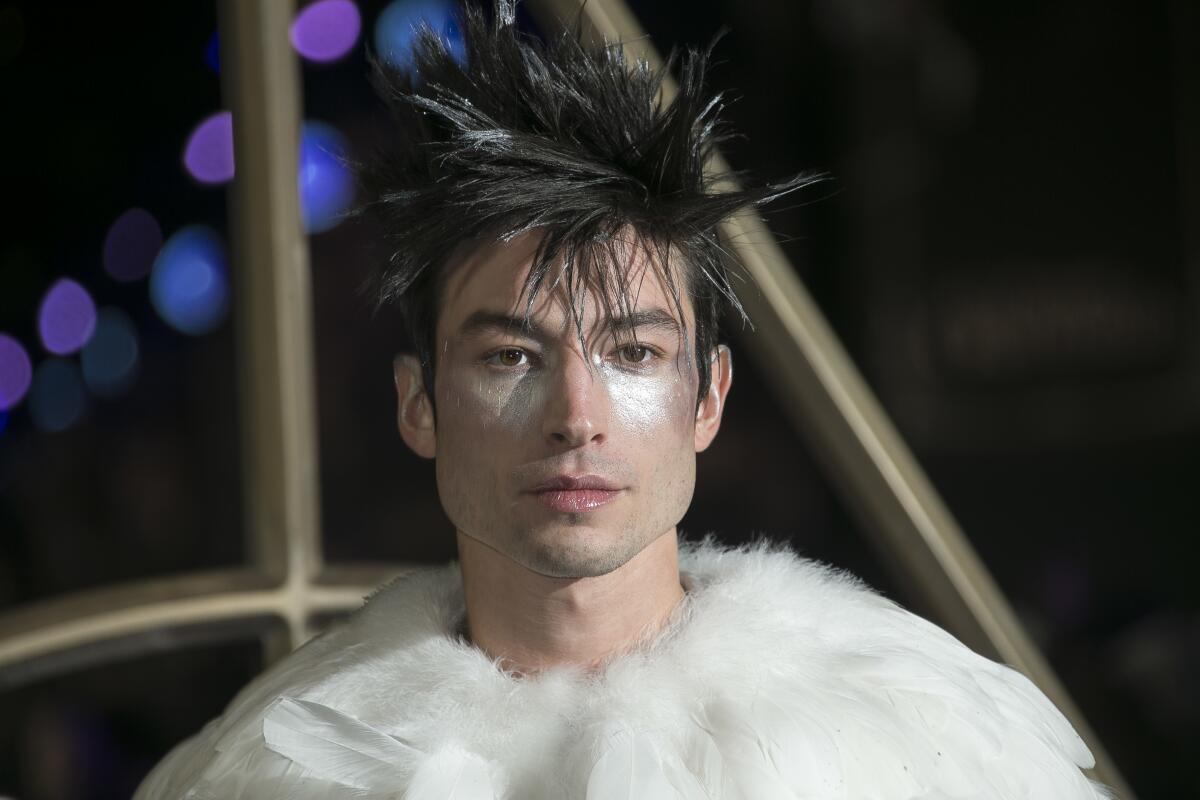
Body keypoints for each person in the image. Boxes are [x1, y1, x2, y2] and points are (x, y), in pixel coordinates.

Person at [135, 1, 1111, 797]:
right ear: (418, 404)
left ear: (708, 397)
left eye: (634, 351)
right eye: (511, 357)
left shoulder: (922, 747)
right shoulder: (269, 770)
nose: (576, 413)